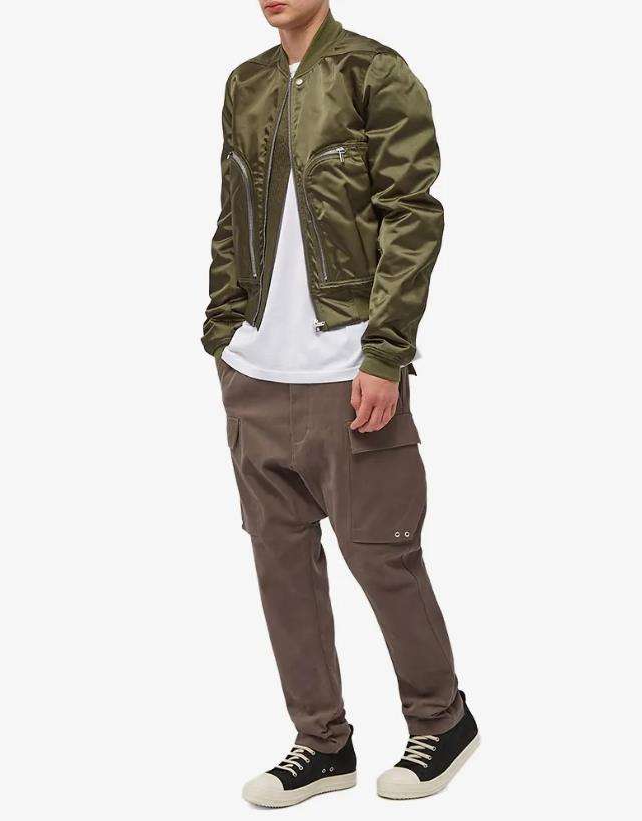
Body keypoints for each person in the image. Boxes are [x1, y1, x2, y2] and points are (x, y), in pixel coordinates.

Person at [203, 0, 477, 806]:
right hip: (256, 368)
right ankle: (321, 742)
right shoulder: (246, 83)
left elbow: (412, 216)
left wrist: (385, 351)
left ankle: (442, 719)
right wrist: (224, 331)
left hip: (348, 365)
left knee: (382, 552)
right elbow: (232, 216)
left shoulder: (373, 71)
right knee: (280, 565)